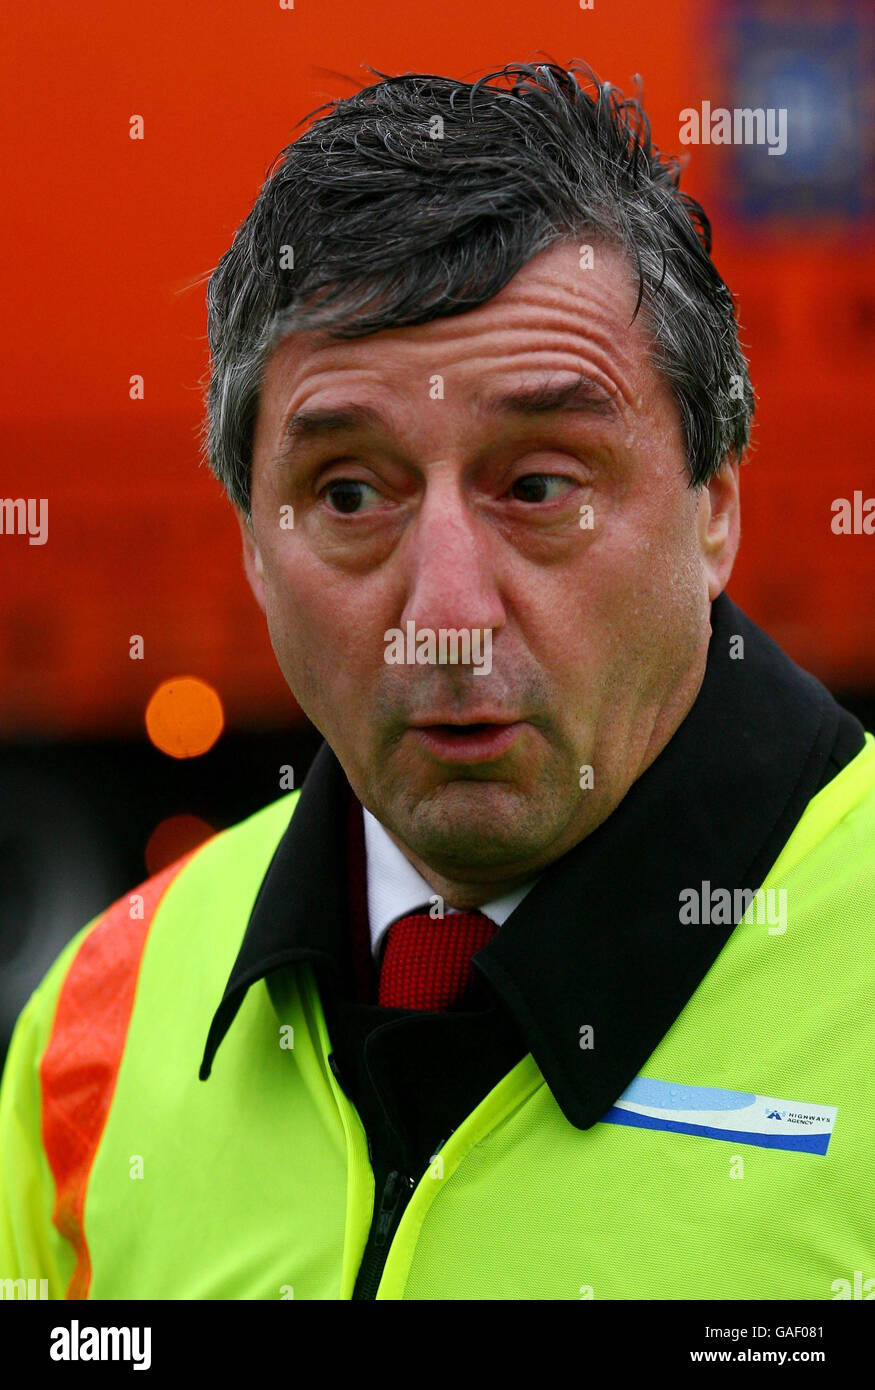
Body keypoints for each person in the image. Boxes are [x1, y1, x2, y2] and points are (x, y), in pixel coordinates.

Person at [1, 60, 872, 1302]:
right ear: (251, 538)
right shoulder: (95, 1030)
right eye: (349, 494)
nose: (444, 619)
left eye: (538, 485)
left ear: (711, 509)